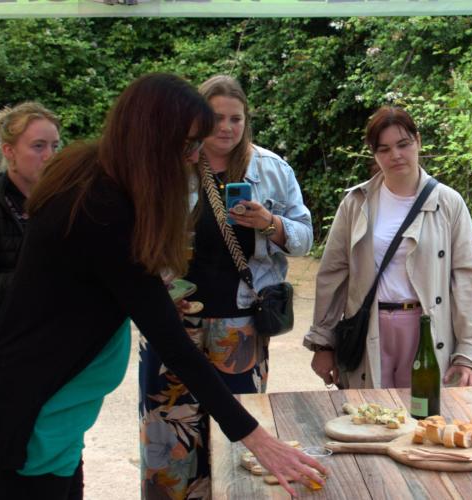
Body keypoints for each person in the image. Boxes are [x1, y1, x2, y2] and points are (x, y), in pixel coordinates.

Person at [0, 73, 325, 500]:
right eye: (189, 143)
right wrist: (258, 439)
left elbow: (90, 288)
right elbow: (173, 344)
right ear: (152, 138)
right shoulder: (102, 207)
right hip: (35, 410)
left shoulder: (92, 173)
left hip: (55, 408)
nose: (194, 155)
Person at [139, 74, 313, 498]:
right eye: (217, 118)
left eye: (236, 119)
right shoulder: (168, 166)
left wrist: (270, 225)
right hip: (171, 323)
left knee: (240, 436)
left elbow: (306, 237)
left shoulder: (271, 169)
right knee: (169, 441)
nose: (227, 128)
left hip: (240, 329)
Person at [304, 106, 472, 389]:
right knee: (371, 421)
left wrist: (469, 354)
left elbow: (466, 279)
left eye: (403, 144)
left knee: (427, 421)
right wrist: (323, 343)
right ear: (374, 154)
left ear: (418, 141)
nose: (395, 155)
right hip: (370, 330)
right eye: (384, 149)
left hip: (428, 329)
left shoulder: (449, 203)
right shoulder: (356, 203)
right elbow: (332, 275)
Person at [0, 102, 60, 352]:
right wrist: (42, 279)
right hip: (6, 344)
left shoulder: (63, 202)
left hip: (56, 337)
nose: (50, 156)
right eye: (38, 146)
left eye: (55, 146)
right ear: (9, 151)